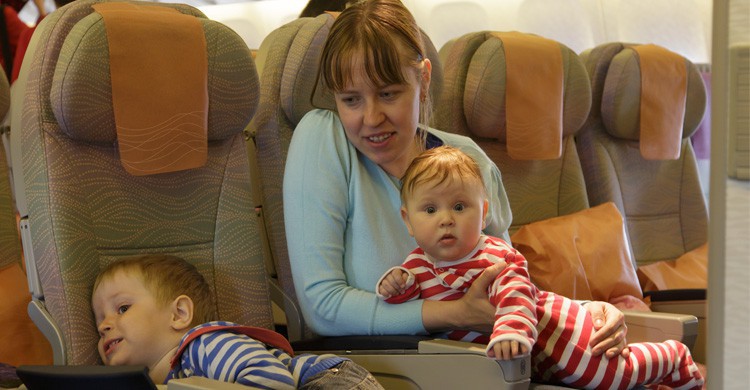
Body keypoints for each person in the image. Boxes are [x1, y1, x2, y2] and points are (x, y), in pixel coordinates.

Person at [283, 0, 629, 359]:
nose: (371, 118)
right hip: (383, 367)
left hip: (485, 365)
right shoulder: (323, 138)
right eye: (351, 99)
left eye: (388, 94)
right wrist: (455, 314)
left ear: (424, 80)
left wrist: (586, 312)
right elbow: (322, 307)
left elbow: (507, 278)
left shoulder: (468, 158)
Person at [377, 146, 704, 388]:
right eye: (430, 209)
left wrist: (511, 331)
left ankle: (673, 358)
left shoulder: (494, 256)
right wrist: (393, 287)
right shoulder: (416, 265)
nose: (446, 219)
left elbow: (517, 296)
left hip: (560, 335)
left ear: (484, 212)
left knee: (608, 376)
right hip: (524, 357)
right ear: (408, 220)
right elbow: (407, 303)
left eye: (460, 206)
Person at [91, 254, 383, 389]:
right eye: (99, 320)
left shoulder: (205, 344)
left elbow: (273, 379)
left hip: (329, 382)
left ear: (178, 314)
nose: (104, 325)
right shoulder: (171, 375)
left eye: (122, 308)